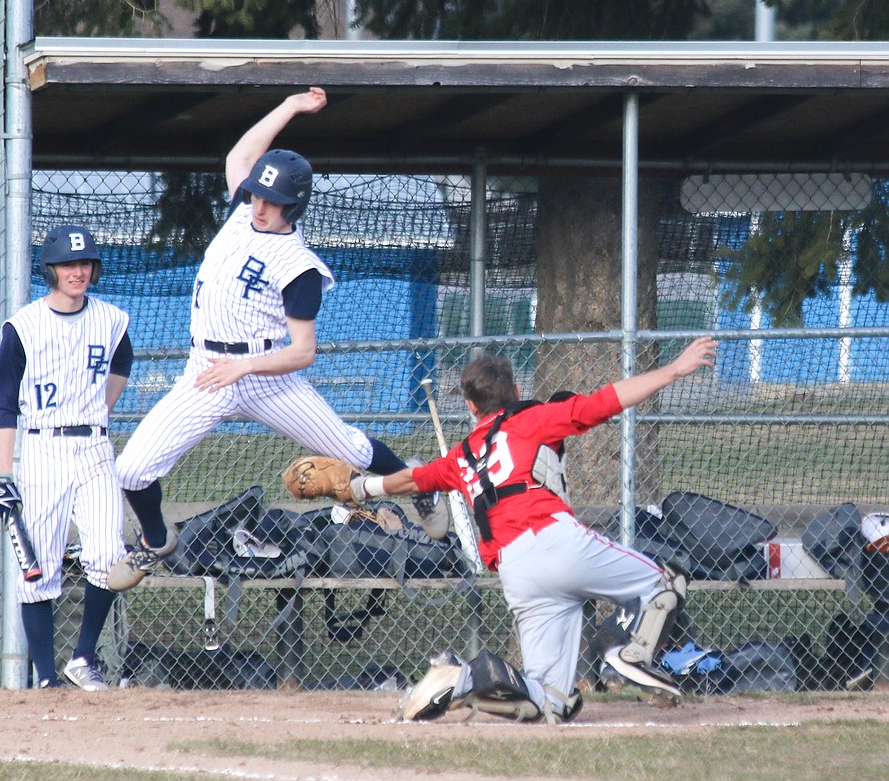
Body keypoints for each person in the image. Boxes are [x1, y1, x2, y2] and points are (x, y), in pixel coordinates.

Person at [108, 86, 447, 592]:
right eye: (259, 194)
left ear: (296, 206)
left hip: (268, 379)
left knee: (352, 449)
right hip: (206, 371)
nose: (261, 205)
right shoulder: (241, 215)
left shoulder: (300, 267)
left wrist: (244, 369)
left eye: (274, 200)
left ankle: (419, 485)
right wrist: (289, 108)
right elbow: (239, 157)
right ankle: (156, 540)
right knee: (131, 470)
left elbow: (303, 351)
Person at [339, 336, 719, 723]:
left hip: (516, 571)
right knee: (665, 584)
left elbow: (413, 480)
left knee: (553, 702)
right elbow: (607, 400)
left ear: (471, 407)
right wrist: (674, 369)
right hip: (554, 541)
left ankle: (462, 678)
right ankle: (629, 655)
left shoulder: (462, 455)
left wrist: (359, 487)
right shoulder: (532, 420)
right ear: (517, 392)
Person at [0, 224, 133, 690]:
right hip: (41, 448)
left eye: (86, 263)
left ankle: (83, 657)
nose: (79, 271)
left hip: (93, 445)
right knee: (38, 568)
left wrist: (99, 411)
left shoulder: (111, 319)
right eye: (69, 264)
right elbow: (5, 405)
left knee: (109, 552)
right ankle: (48, 678)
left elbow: (121, 363)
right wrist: (4, 473)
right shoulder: (23, 326)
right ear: (50, 269)